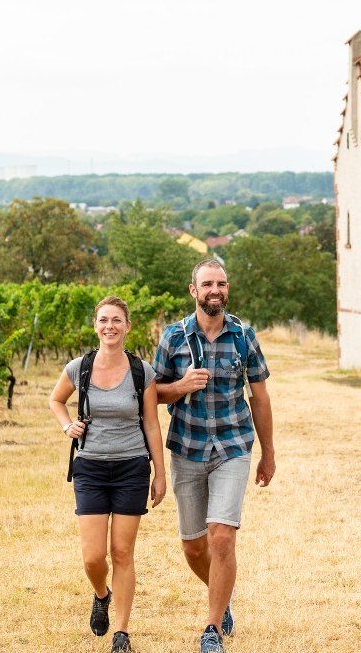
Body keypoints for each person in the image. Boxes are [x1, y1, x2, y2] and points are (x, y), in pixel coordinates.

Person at [154, 259, 274, 653]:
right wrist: (181, 385)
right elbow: (153, 394)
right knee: (193, 546)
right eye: (207, 284)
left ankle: (212, 628)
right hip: (187, 448)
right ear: (193, 291)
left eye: (221, 283)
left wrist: (268, 452)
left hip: (233, 446)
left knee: (221, 539)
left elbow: (260, 396)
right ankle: (222, 599)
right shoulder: (174, 338)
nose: (215, 290)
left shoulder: (244, 335)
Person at [49, 295, 167, 653]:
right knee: (92, 557)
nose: (110, 326)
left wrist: (160, 474)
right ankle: (101, 593)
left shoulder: (141, 371)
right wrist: (67, 425)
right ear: (95, 325)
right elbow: (56, 400)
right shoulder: (78, 368)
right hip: (90, 468)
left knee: (122, 551)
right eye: (103, 320)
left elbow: (151, 422)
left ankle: (122, 633)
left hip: (132, 467)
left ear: (127, 327)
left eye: (117, 320)